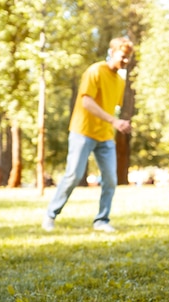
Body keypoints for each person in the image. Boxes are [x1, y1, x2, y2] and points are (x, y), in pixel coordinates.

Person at [42, 37, 134, 233]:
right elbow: (87, 102)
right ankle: (51, 214)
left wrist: (117, 122)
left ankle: (102, 220)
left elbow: (112, 107)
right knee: (73, 175)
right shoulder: (95, 71)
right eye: (123, 57)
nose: (125, 62)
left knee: (110, 179)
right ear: (112, 52)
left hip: (105, 136)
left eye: (128, 59)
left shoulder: (119, 81)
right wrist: (114, 121)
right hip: (82, 132)